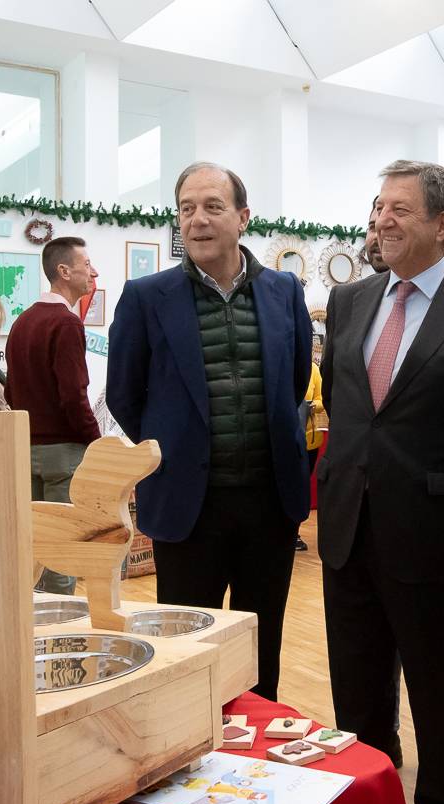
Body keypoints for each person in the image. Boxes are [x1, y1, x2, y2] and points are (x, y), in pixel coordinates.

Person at [319, 159, 444, 804]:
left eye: (398, 208)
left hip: (430, 530)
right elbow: (346, 407)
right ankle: (371, 793)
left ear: (442, 222)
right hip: (347, 526)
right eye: (377, 206)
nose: (380, 219)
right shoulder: (351, 299)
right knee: (357, 688)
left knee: (437, 691)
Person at [107, 162, 311, 702]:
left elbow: (292, 385)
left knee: (262, 640)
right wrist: (172, 446)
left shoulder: (284, 291)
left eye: (212, 207)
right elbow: (125, 395)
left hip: (269, 503)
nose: (197, 220)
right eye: (186, 208)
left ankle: (262, 754)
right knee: (185, 643)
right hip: (185, 505)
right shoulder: (147, 297)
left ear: (243, 217)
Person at [6, 235, 102, 594]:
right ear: (63, 270)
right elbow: (73, 396)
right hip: (63, 454)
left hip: (26, 449)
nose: (93, 271)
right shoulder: (65, 323)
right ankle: (60, 636)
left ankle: (32, 631)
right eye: (86, 264)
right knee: (62, 553)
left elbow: (10, 392)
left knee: (33, 551)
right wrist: (96, 442)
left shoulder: (22, 322)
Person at [297, 360, 324, 552]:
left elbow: (323, 399)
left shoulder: (313, 369)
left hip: (310, 440)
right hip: (287, 440)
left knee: (302, 486)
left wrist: (312, 405)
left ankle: (296, 532)